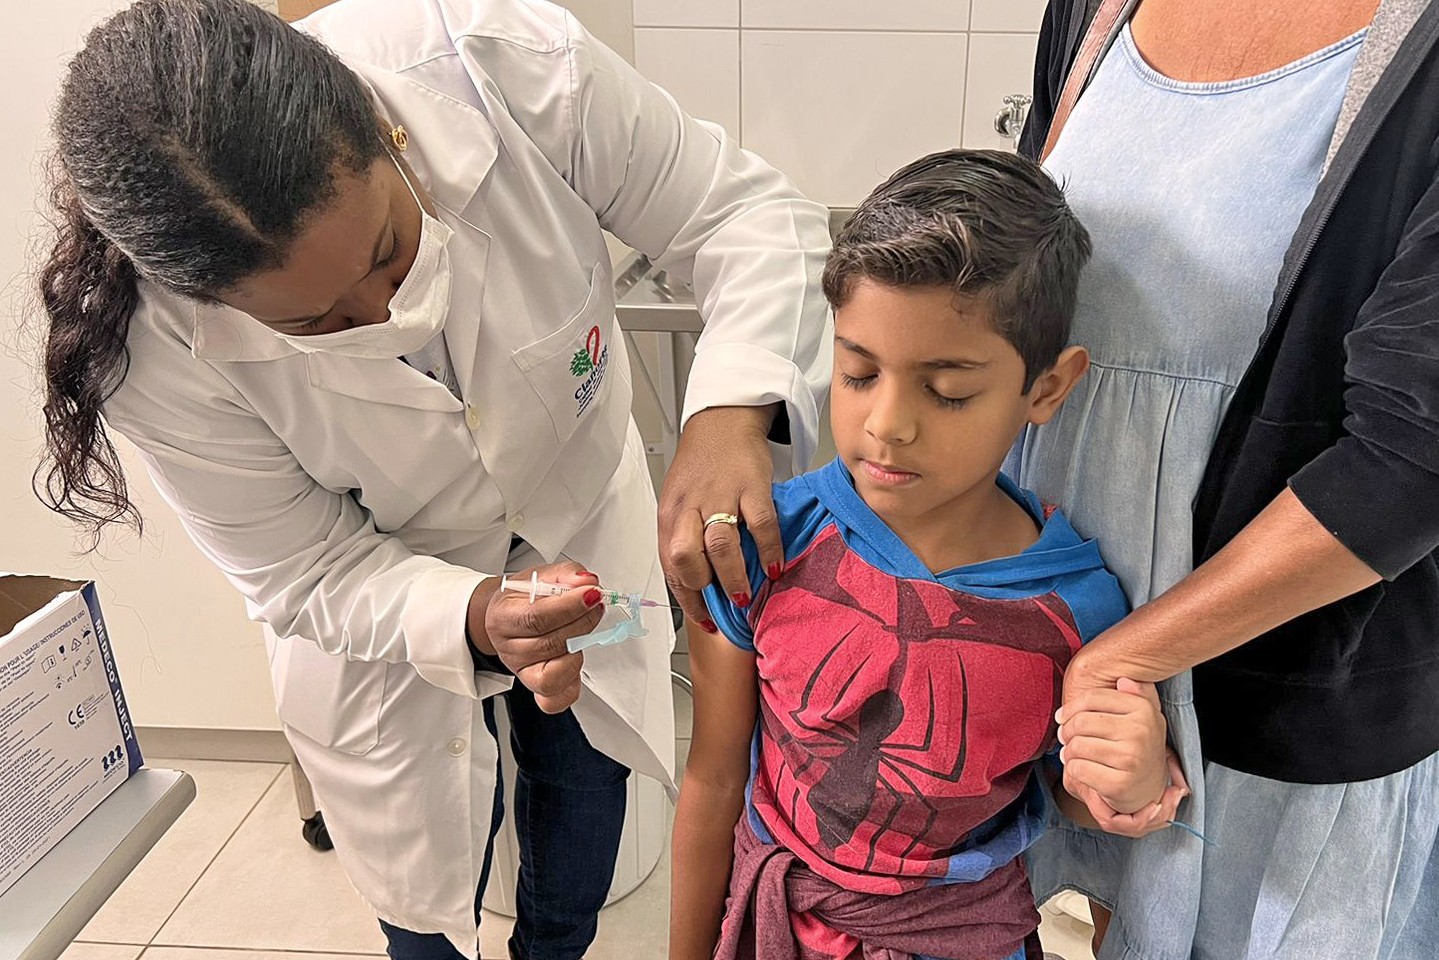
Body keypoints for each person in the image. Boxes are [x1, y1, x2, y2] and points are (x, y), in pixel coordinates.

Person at [35, 1, 832, 957]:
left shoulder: (499, 61)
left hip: (588, 536)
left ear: (384, 130)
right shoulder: (147, 346)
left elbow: (745, 214)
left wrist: (728, 412)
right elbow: (303, 569)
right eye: (319, 324)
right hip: (387, 611)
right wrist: (476, 614)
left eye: (388, 251)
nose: (389, 313)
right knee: (423, 914)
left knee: (585, 782)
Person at [669, 150, 1186, 960]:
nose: (887, 424)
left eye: (947, 392)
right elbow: (710, 778)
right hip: (776, 930)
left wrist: (1130, 781)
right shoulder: (769, 542)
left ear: (1046, 388)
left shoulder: (1077, 607)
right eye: (857, 373)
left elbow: (1066, 798)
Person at [1015, 1, 1439, 958]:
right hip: (1079, 649)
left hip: (1279, 672)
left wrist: (1123, 659)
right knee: (1109, 924)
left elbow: (1413, 455)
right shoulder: (1093, 10)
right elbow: (1013, 299)